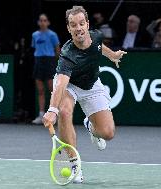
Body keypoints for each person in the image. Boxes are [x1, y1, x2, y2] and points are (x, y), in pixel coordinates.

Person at [42, 6, 127, 183]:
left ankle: (90, 126)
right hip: (70, 85)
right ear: (69, 28)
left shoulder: (95, 35)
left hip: (91, 84)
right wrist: (52, 109)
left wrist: (112, 56)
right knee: (64, 111)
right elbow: (60, 84)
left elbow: (98, 47)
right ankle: (75, 164)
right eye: (73, 25)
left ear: (87, 24)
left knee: (108, 133)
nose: (78, 28)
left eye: (81, 23)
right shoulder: (67, 54)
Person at [31, 14, 60, 124]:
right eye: (41, 20)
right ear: (39, 22)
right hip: (38, 61)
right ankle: (41, 115)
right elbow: (35, 48)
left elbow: (57, 50)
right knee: (41, 91)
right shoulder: (35, 35)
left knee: (52, 90)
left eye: (45, 20)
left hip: (49, 61)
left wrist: (54, 62)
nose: (43, 22)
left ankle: (54, 115)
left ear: (48, 22)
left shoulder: (53, 35)